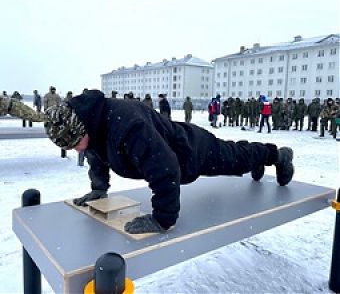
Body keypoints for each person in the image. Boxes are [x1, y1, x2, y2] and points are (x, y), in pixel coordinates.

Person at [44, 90, 294, 234]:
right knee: (239, 159)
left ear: (82, 128)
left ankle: (277, 155)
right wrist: (99, 188)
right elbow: (95, 154)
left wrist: (161, 218)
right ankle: (257, 160)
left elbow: (165, 168)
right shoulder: (91, 126)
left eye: (76, 143)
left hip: (193, 149)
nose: (77, 149)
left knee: (237, 158)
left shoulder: (128, 126)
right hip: (177, 149)